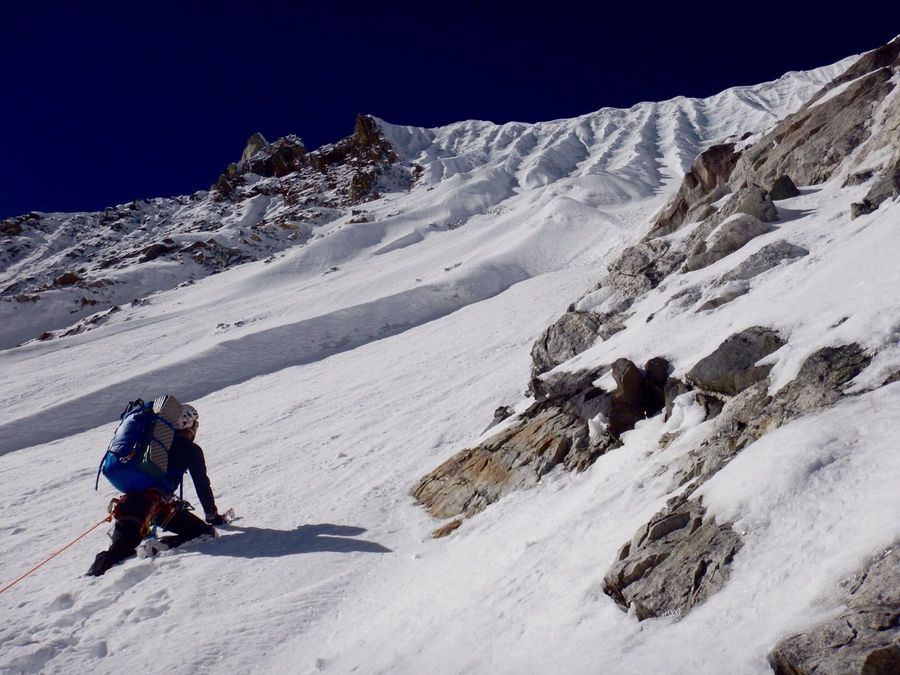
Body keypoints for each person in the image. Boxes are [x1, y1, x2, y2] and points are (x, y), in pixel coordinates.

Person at [87, 403, 227, 576]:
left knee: (119, 549)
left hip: (131, 504)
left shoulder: (149, 441)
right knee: (204, 532)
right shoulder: (191, 449)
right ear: (190, 425)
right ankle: (160, 546)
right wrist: (212, 515)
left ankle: (93, 579)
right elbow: (202, 484)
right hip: (159, 508)